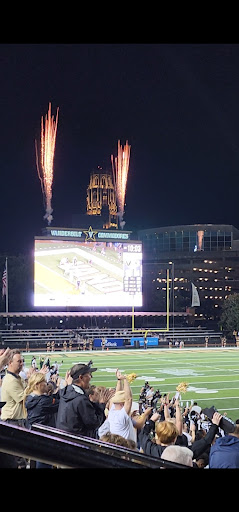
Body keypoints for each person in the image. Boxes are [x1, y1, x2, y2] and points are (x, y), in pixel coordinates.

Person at [56, 362, 115, 438]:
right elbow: (95, 423)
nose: (91, 377)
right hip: (78, 442)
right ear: (81, 378)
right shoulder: (80, 400)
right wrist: (102, 405)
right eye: (89, 374)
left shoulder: (66, 391)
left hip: (65, 439)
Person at [23, 372, 61, 469]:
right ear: (37, 385)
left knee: (35, 461)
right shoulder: (43, 401)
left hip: (34, 434)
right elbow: (60, 404)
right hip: (45, 436)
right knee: (44, 462)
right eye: (44, 382)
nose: (47, 384)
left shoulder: (30, 398)